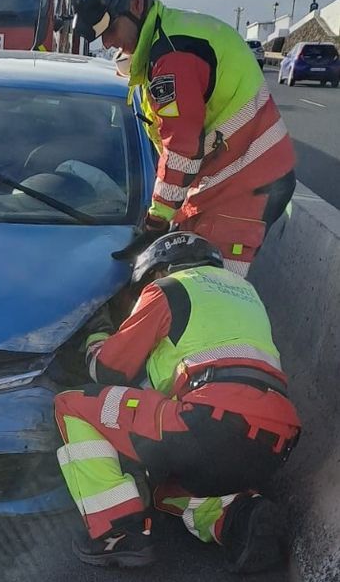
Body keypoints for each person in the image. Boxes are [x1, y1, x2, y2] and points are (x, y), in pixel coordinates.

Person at [54, 232, 300, 572]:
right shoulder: (246, 293)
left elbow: (109, 370)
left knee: (72, 404)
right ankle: (240, 517)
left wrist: (97, 334)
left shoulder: (168, 288)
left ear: (157, 270)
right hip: (275, 440)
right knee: (167, 489)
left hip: (211, 420)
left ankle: (118, 530)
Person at [70, 0, 296, 276]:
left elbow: (181, 149)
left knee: (214, 290)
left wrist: (155, 222)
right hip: (230, 178)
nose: (106, 43)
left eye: (110, 30)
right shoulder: (164, 40)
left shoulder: (172, 57)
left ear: (136, 3)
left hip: (246, 185)